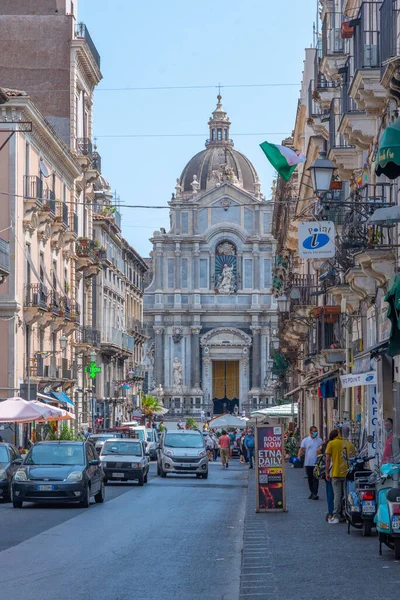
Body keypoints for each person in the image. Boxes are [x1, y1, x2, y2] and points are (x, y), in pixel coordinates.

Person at [325, 424, 356, 524]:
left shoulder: (332, 444)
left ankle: (336, 516)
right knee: (347, 495)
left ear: (339, 432)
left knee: (337, 495)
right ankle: (347, 516)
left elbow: (328, 460)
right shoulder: (351, 445)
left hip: (335, 473)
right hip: (347, 474)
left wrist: (326, 472)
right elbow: (353, 460)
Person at [318, 429, 338, 521]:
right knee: (338, 494)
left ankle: (331, 513)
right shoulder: (335, 444)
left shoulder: (327, 444)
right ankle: (336, 512)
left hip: (330, 472)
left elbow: (319, 453)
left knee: (330, 494)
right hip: (336, 471)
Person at [298, 426, 323, 499]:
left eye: (316, 431)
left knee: (316, 478)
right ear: (310, 432)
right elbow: (301, 449)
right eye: (314, 431)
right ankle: (312, 492)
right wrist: (299, 456)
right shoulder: (305, 440)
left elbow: (322, 449)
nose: (315, 433)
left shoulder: (319, 440)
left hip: (317, 463)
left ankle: (315, 493)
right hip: (308, 463)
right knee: (310, 479)